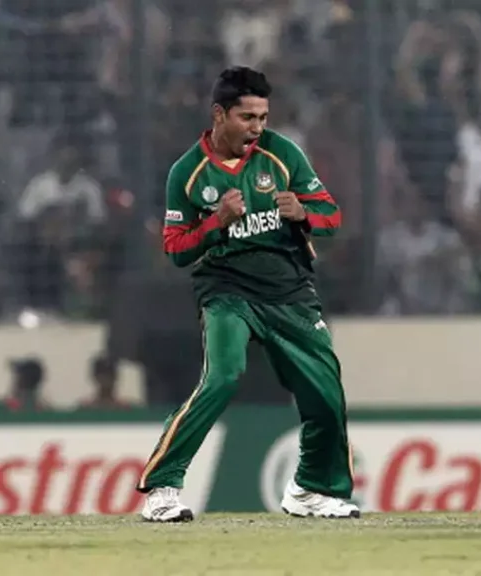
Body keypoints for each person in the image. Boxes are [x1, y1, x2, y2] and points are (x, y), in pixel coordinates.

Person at [137, 67, 357, 522]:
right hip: (227, 289)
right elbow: (176, 250)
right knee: (222, 377)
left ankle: (311, 490)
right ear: (219, 115)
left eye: (263, 117)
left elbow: (331, 216)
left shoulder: (282, 154)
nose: (257, 128)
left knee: (325, 391)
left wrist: (303, 214)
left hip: (288, 289)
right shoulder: (187, 173)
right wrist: (216, 222)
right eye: (247, 117)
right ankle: (162, 487)